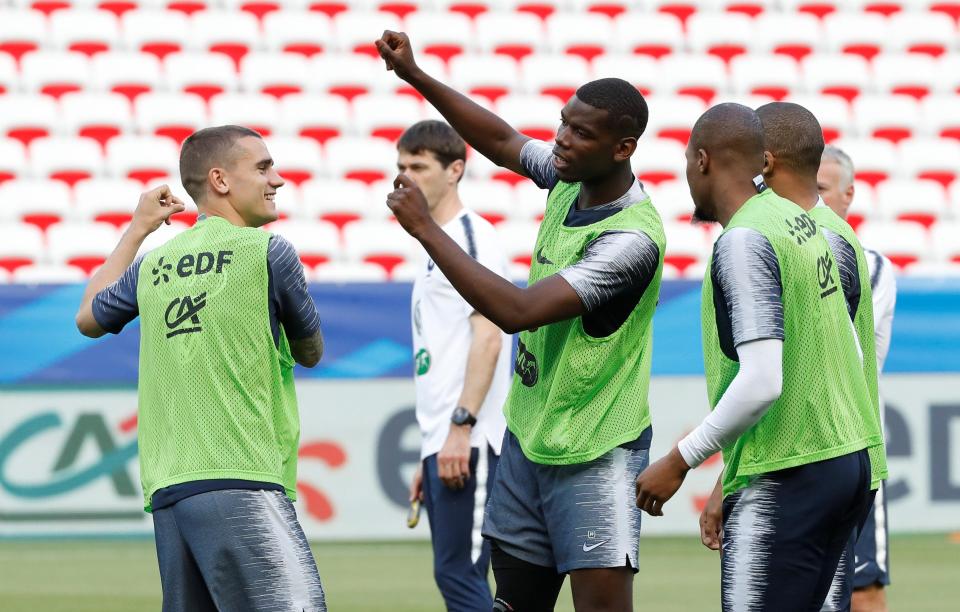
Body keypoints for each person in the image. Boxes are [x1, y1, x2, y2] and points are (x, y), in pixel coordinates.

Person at [377, 30, 665, 612]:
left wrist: (425, 229)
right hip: (528, 442)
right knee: (513, 604)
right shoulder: (569, 177)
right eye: (563, 121)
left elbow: (516, 313)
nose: (561, 139)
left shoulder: (631, 238)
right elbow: (503, 140)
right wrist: (417, 76)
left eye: (581, 132)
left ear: (623, 148)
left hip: (594, 450)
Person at [634, 103, 881, 611]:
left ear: (704, 161)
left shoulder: (747, 237)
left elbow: (765, 380)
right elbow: (843, 356)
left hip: (793, 468)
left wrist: (681, 461)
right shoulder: (813, 227)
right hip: (844, 459)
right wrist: (734, 470)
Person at [75, 125, 327, 612]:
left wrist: (139, 227)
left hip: (170, 490)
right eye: (262, 167)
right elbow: (311, 351)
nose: (277, 179)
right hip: (241, 475)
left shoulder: (153, 264)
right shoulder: (269, 252)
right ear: (220, 180)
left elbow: (87, 317)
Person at [398, 120, 512, 611]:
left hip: (472, 437)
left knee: (461, 574)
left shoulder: (470, 237)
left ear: (455, 170)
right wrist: (433, 444)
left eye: (419, 166)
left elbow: (489, 336)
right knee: (455, 574)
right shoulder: (434, 245)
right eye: (401, 167)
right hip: (445, 438)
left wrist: (461, 429)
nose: (405, 177)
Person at [819, 144, 897, 612]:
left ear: (849, 195)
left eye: (823, 189)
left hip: (853, 438)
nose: (811, 198)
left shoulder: (868, 266)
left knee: (863, 584)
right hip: (790, 442)